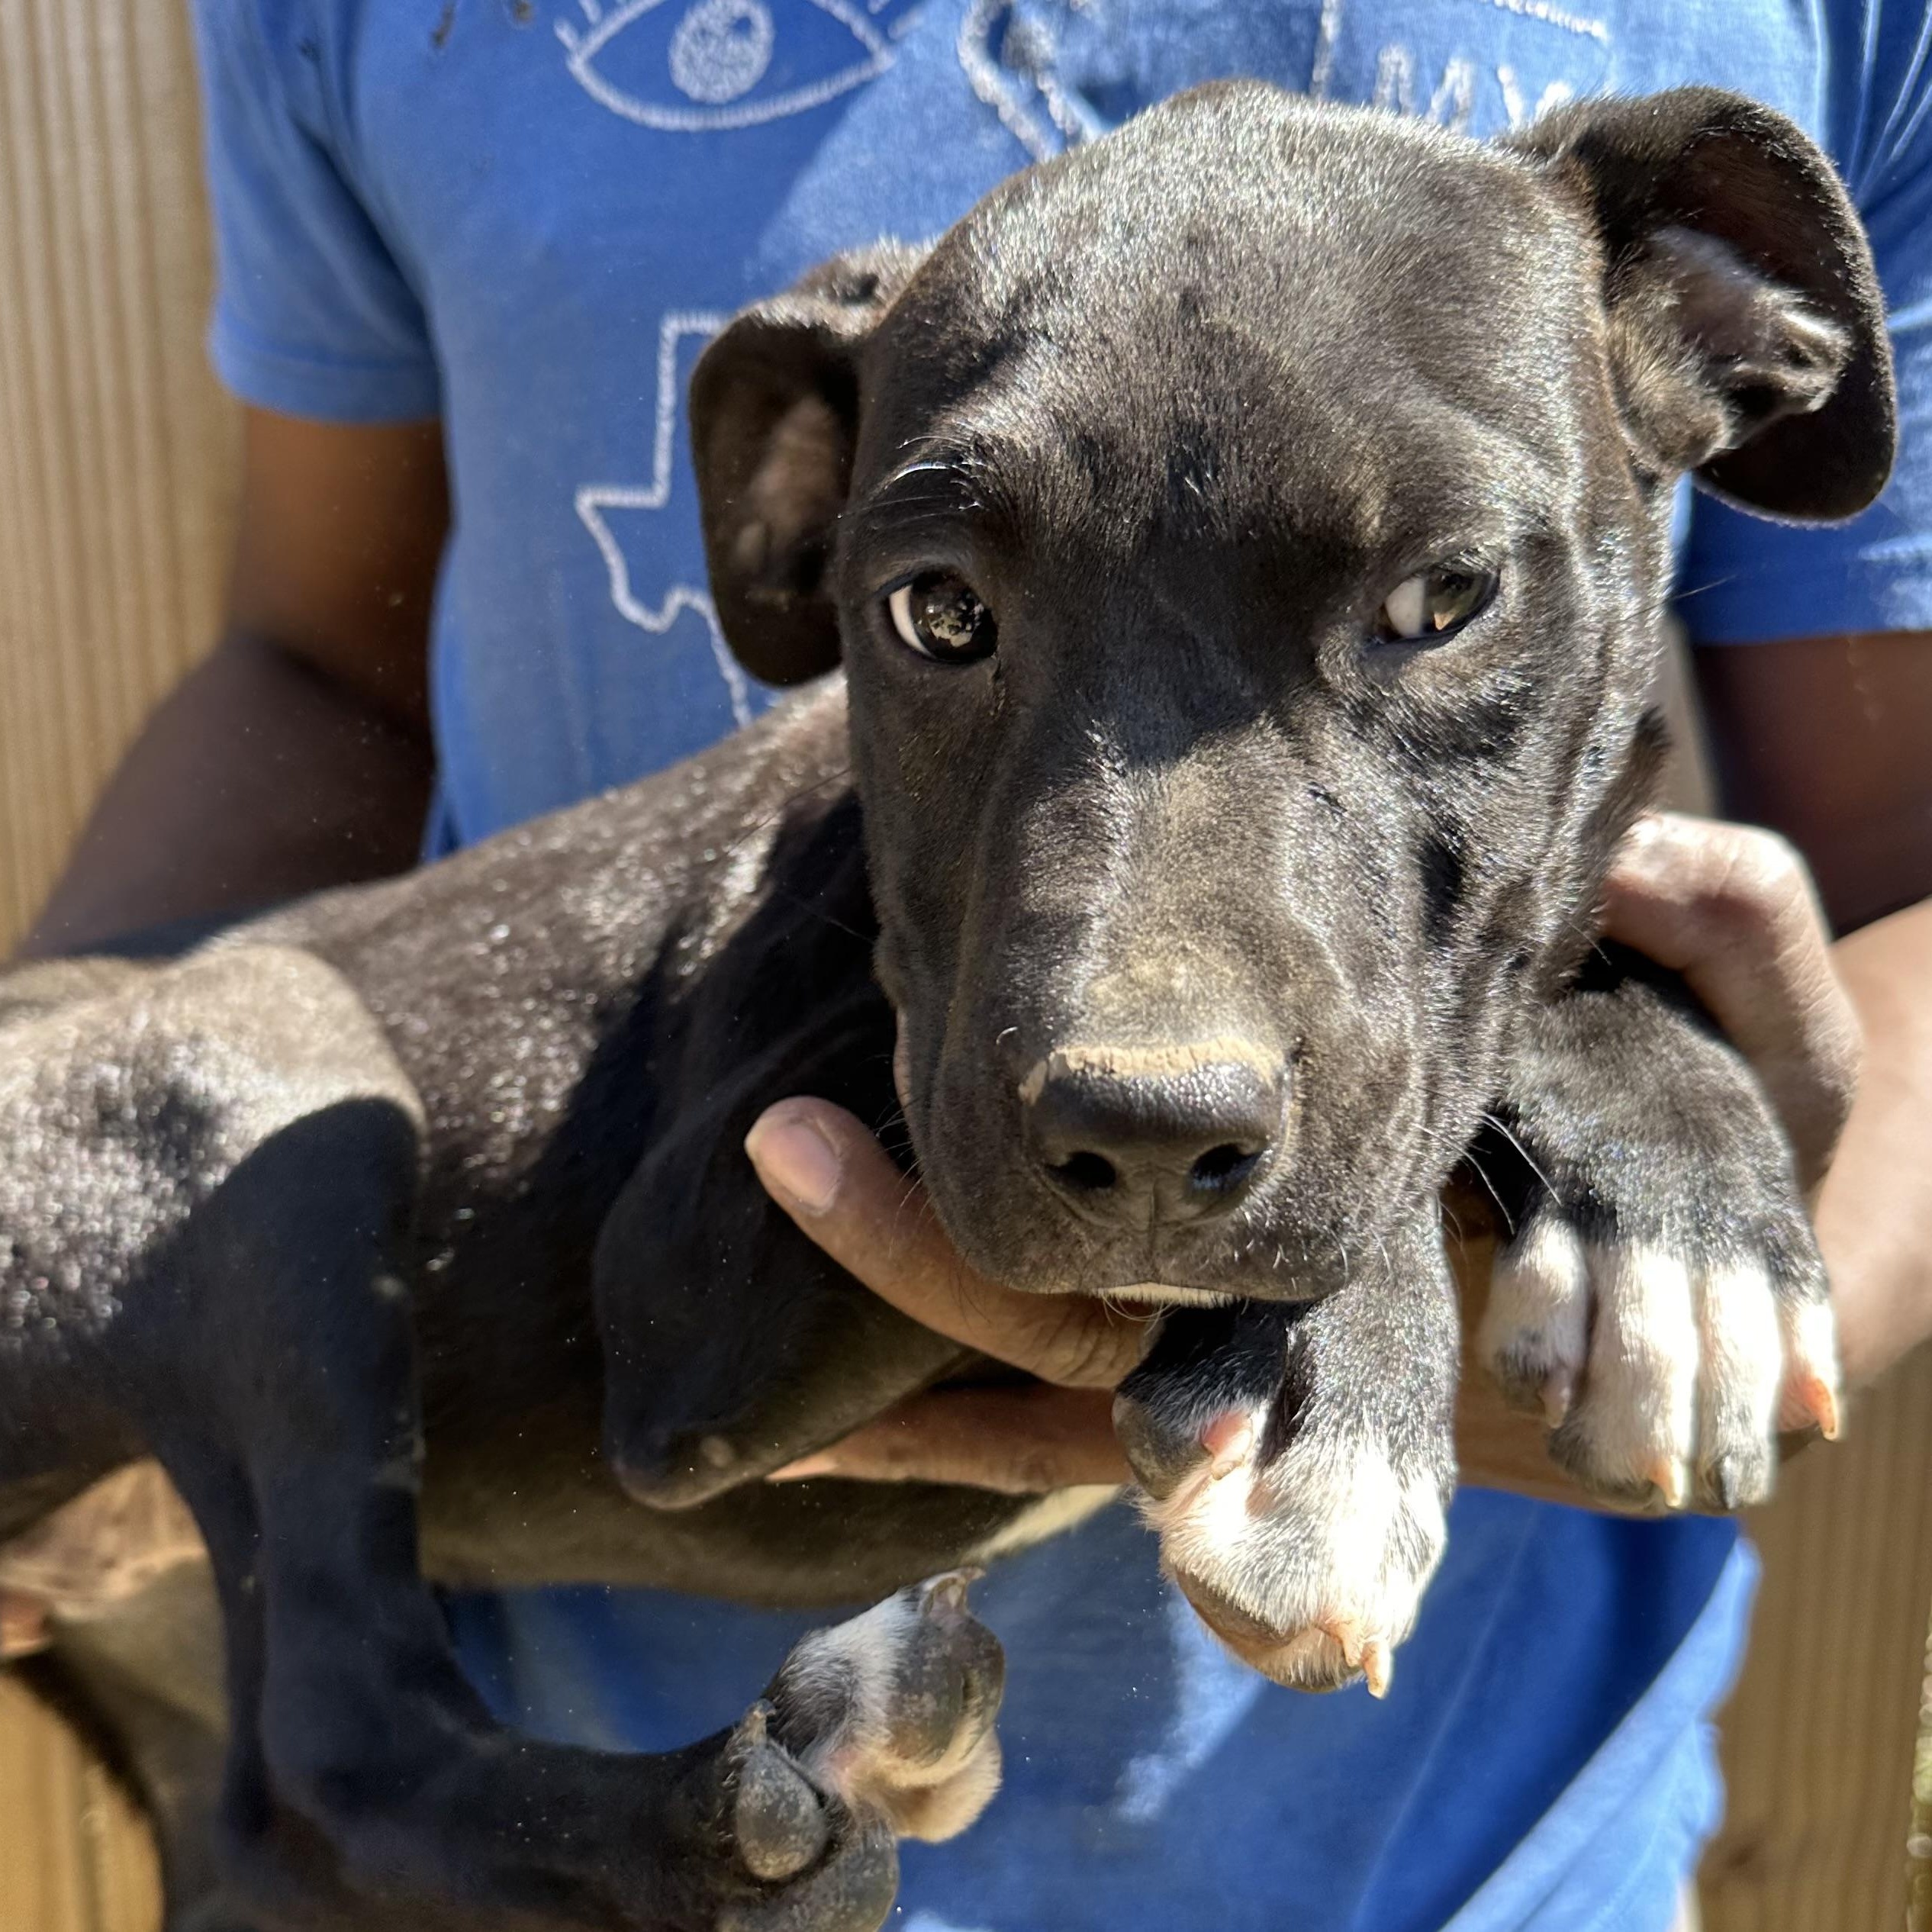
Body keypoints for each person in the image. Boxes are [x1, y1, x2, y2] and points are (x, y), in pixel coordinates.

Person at [18, 2, 1930, 1925]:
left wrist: (1749, 1311)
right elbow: (316, 673)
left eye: (1436, 605)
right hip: (486, 1679)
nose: (1152, 994)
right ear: (808, 499)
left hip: (1487, 1840)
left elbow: (1882, 864)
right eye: (936, 610)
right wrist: (72, 1254)